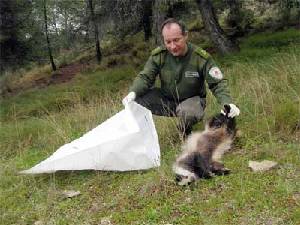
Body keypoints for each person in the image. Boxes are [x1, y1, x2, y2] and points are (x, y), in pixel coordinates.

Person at [122, 18, 240, 137]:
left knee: (187, 113)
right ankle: (142, 136)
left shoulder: (200, 57)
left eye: (176, 40)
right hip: (167, 100)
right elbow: (145, 77)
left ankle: (185, 131)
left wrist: (227, 103)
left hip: (192, 101)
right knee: (135, 101)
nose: (173, 46)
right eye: (168, 42)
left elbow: (217, 83)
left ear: (185, 36)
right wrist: (133, 92)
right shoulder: (159, 56)